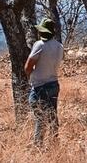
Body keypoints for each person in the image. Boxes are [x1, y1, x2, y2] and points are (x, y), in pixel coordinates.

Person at [25, 17, 63, 146]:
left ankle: (38, 145)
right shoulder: (59, 46)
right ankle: (54, 143)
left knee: (40, 117)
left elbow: (28, 65)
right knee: (52, 115)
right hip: (54, 83)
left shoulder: (39, 44)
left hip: (40, 85)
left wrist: (30, 75)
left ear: (42, 31)